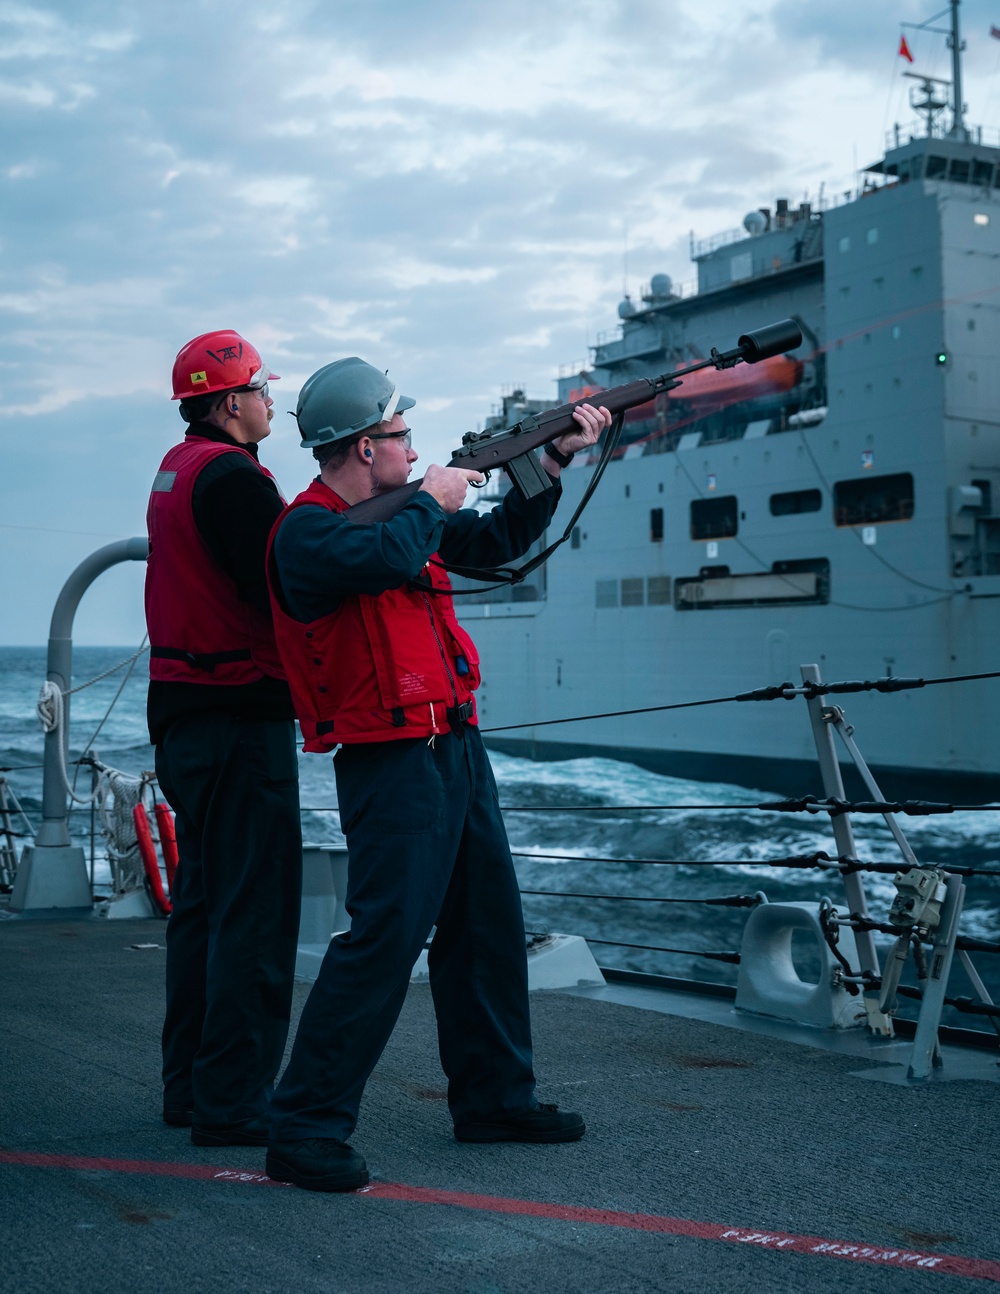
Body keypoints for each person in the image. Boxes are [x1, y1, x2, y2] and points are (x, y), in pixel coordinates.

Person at [262, 356, 611, 1192]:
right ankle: (305, 1126)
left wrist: (550, 464)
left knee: (487, 926)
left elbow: (494, 545)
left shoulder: (401, 518)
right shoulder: (308, 532)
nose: (412, 449)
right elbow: (383, 556)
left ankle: (494, 1098)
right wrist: (434, 497)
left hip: (451, 742)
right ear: (358, 448)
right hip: (391, 760)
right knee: (384, 938)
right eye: (398, 436)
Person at [144, 330, 303, 1147]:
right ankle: (235, 1101)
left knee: (203, 912)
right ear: (231, 400)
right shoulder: (237, 482)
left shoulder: (177, 472)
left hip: (183, 720)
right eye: (263, 390)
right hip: (240, 720)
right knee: (256, 918)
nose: (272, 402)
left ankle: (191, 1090)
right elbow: (285, 584)